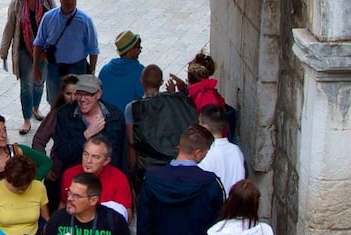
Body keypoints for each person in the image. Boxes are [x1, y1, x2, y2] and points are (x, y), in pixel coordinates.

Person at [127, 65, 199, 194]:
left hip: (148, 169)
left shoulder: (132, 108)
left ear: (141, 81)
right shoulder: (178, 102)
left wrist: (133, 173)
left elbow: (131, 141)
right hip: (175, 165)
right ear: (161, 82)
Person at [48, 75, 129, 180]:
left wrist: (124, 181)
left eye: (87, 94)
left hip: (108, 180)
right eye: (79, 93)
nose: (82, 99)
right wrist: (87, 134)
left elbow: (123, 154)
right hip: (77, 180)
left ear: (98, 94)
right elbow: (62, 153)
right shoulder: (65, 114)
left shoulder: (115, 116)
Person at [0, 0, 55, 134]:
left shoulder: (48, 2)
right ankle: (26, 119)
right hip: (24, 50)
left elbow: (56, 22)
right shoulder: (16, 5)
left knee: (39, 82)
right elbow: (9, 28)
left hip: (43, 50)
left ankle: (35, 107)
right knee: (26, 86)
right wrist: (4, 50)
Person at [33, 0, 98, 109]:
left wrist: (91, 72)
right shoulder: (48, 17)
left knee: (78, 103)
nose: (69, 2)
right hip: (54, 68)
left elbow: (93, 49)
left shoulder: (85, 20)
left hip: (77, 68)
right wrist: (35, 67)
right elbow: (39, 42)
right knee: (55, 102)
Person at [0, 113, 54, 190]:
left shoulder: (18, 151)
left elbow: (47, 162)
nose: (3, 135)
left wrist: (29, 181)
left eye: (4, 130)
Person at [60, 135, 134, 219]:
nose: (88, 161)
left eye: (95, 157)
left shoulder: (119, 179)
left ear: (106, 161)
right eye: (86, 154)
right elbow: (63, 205)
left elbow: (126, 216)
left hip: (106, 225)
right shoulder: (69, 174)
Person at [197, 105, 245, 195]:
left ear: (205, 128)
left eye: (199, 123)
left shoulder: (205, 154)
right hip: (235, 201)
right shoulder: (236, 151)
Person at [97, 31, 145, 121]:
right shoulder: (140, 71)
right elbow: (145, 100)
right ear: (131, 50)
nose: (140, 51)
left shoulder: (105, 70)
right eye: (138, 47)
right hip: (128, 123)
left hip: (107, 120)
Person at [33, 74, 83, 152]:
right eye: (68, 94)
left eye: (76, 94)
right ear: (62, 93)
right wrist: (42, 159)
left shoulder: (89, 112)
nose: (73, 98)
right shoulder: (56, 114)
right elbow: (39, 140)